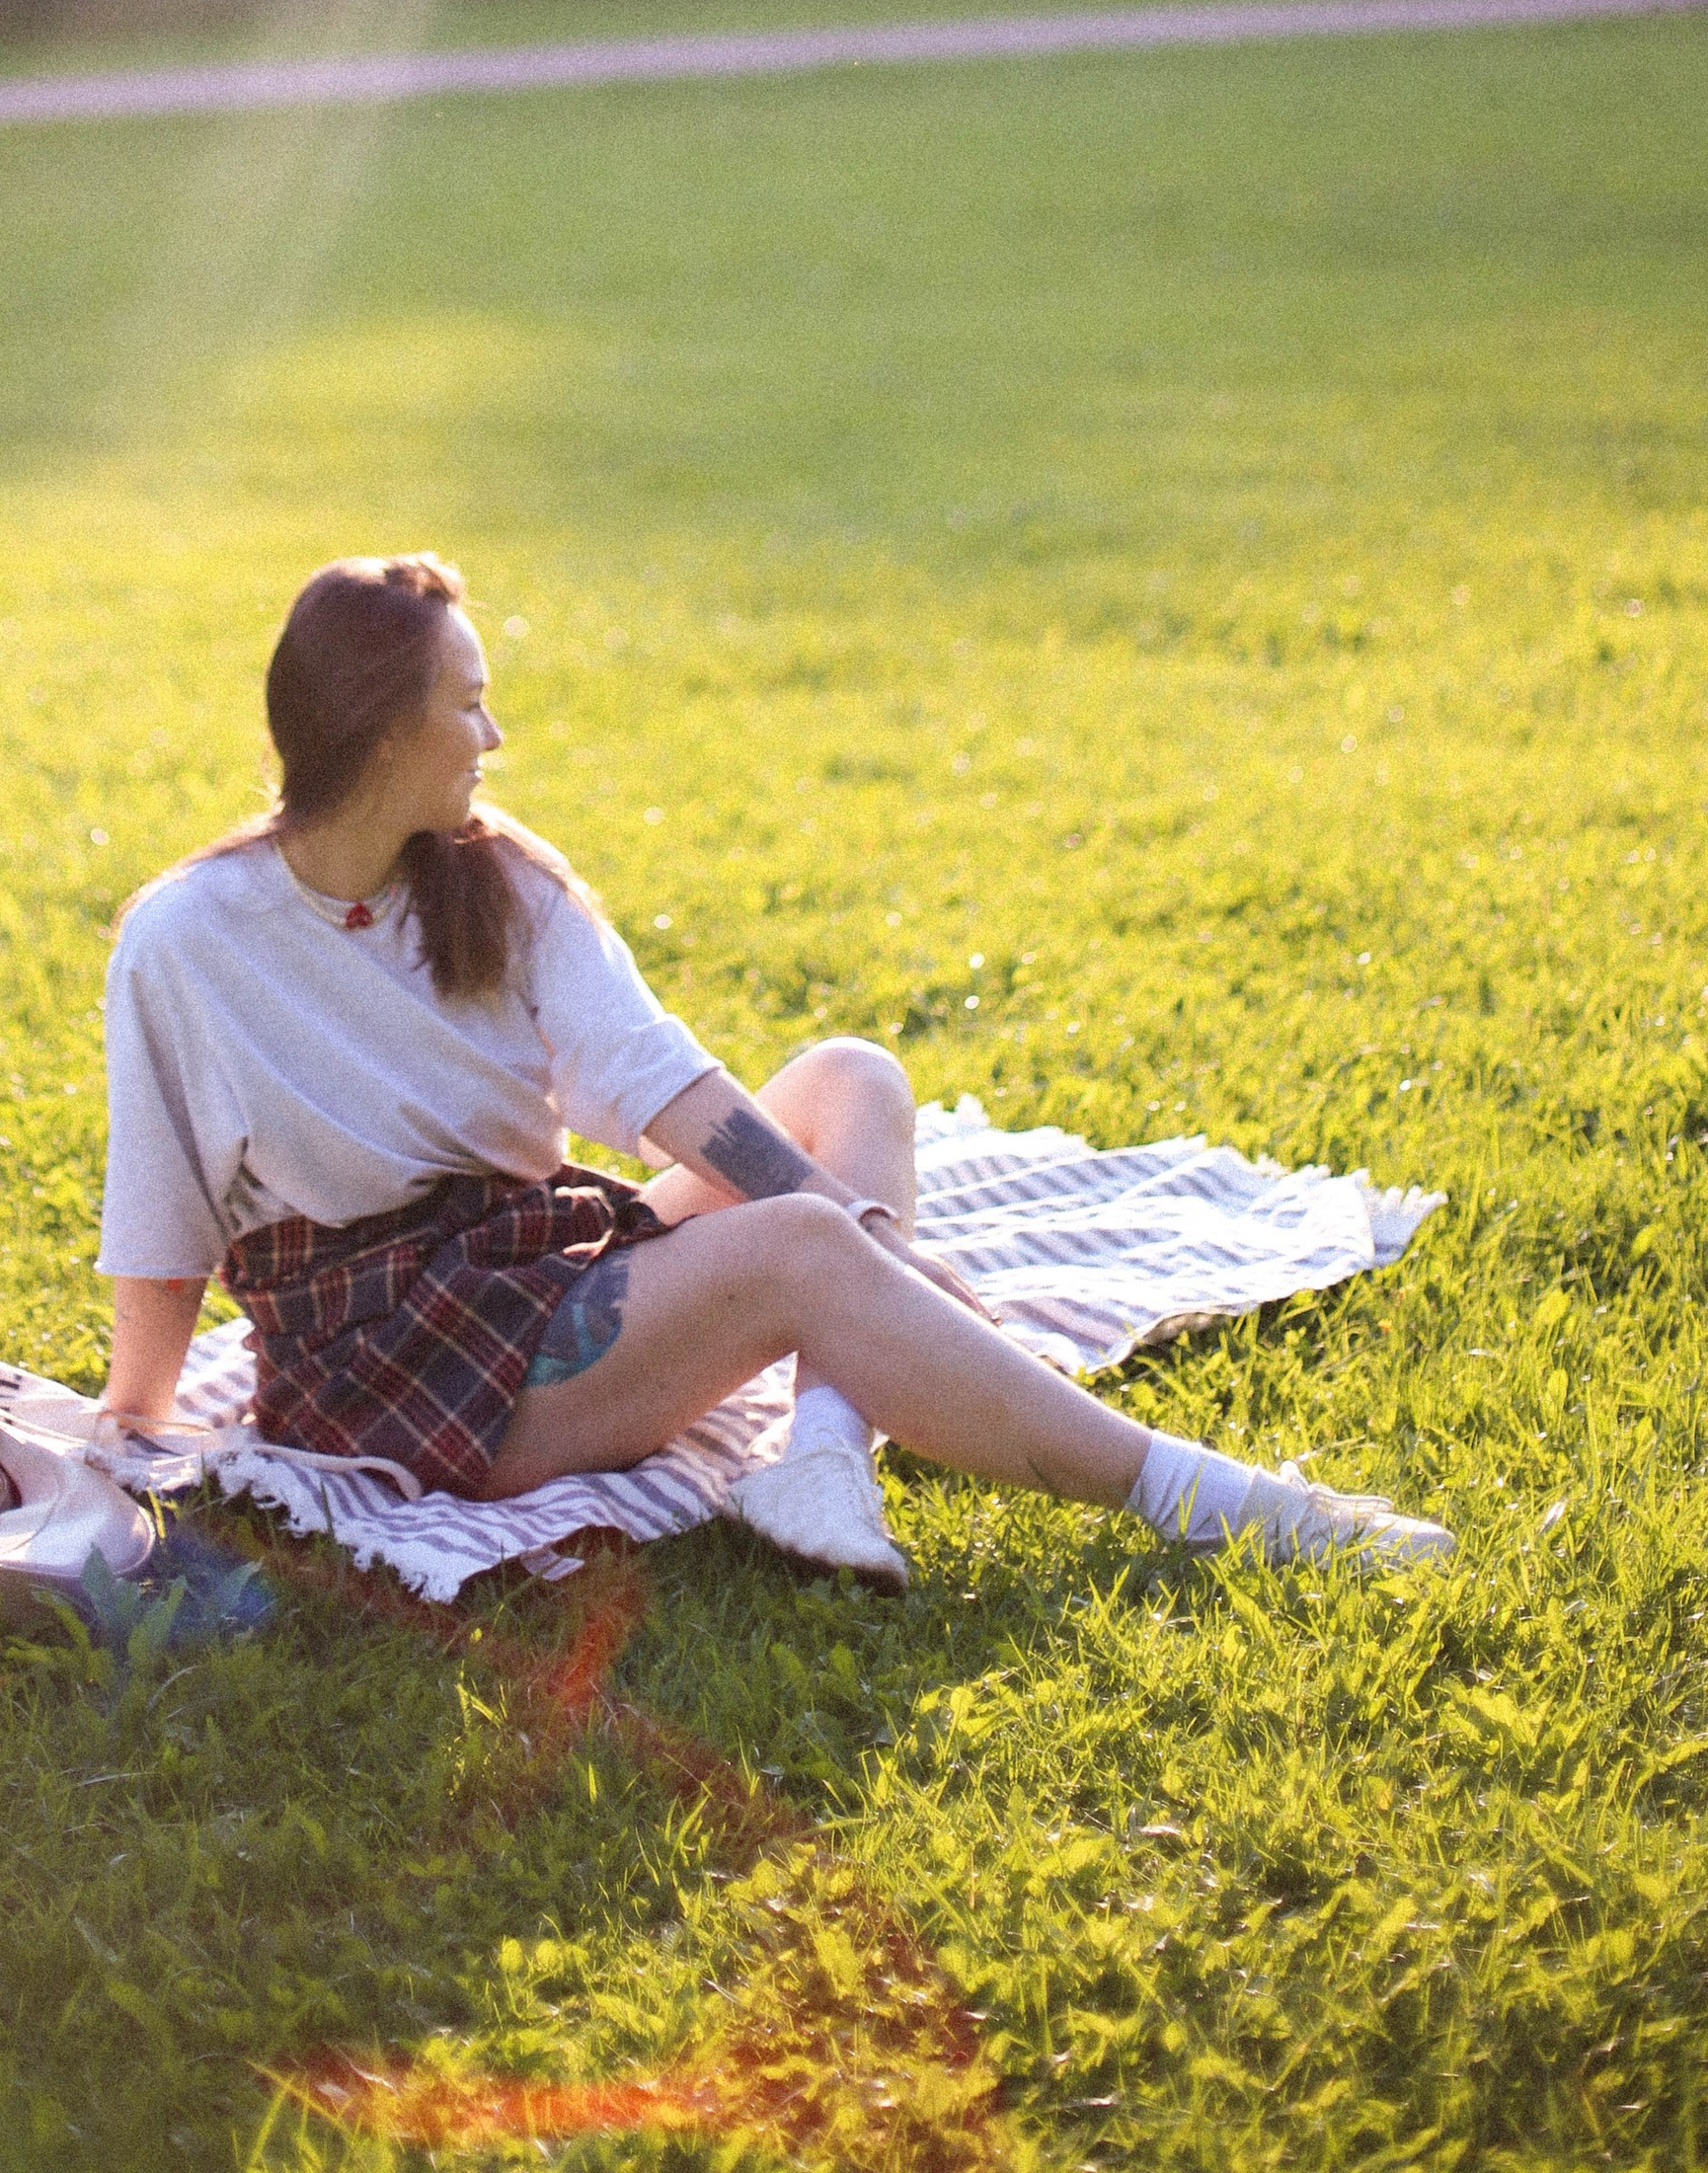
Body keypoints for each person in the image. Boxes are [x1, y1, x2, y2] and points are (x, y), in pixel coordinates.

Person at [97, 556, 1452, 1588]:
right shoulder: (188, 941)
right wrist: (133, 1420)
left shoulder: (497, 879)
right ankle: (1219, 1501)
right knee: (807, 1244)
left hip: (532, 1272)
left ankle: (822, 1458)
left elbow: (662, 1083)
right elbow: (164, 1216)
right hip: (398, 1374)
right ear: (382, 734)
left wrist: (865, 1239)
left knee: (849, 1080)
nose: (496, 738)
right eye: (472, 704)